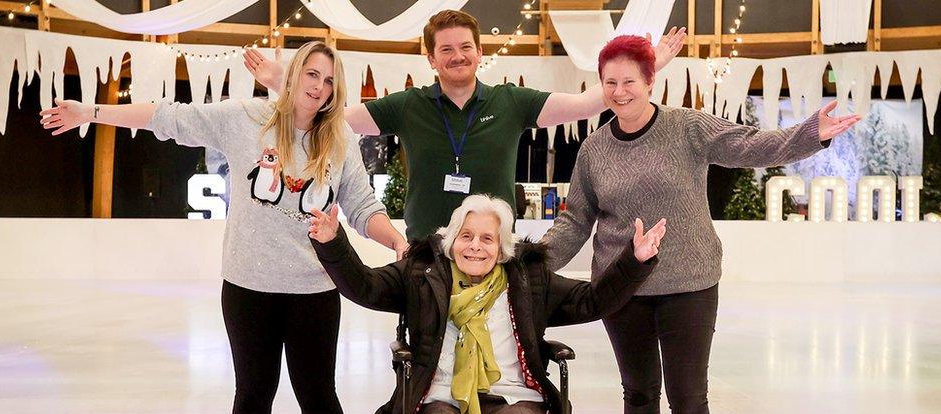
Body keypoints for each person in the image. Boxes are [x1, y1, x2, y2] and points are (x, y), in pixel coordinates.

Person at [41, 41, 408, 414]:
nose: (318, 87)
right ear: (293, 73)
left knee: (317, 395)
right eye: (312, 74)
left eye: (328, 80)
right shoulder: (247, 119)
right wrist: (92, 111)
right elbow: (169, 117)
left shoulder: (339, 138)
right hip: (248, 289)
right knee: (253, 391)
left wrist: (397, 241)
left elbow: (363, 206)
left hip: (313, 292)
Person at [542, 35, 862, 414]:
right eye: (610, 83)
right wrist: (528, 265)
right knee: (639, 395)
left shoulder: (685, 128)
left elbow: (749, 146)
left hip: (689, 285)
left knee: (688, 397)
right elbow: (576, 221)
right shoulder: (594, 149)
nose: (620, 91)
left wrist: (809, 136)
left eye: (629, 81)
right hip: (622, 290)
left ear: (651, 80)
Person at [307, 194, 665, 414]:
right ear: (451, 240)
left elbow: (592, 300)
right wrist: (333, 242)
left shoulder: (527, 278)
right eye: (466, 236)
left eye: (487, 238)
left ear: (503, 247)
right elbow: (365, 286)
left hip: (512, 397)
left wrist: (633, 262)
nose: (475, 246)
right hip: (442, 398)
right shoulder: (422, 272)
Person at [244, 9, 686, 239]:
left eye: (466, 47)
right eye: (447, 49)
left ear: (479, 52)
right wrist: (283, 81)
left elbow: (588, 102)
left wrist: (652, 67)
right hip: (425, 253)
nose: (458, 56)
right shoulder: (407, 105)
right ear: (431, 58)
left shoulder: (511, 102)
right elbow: (335, 113)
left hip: (492, 252)